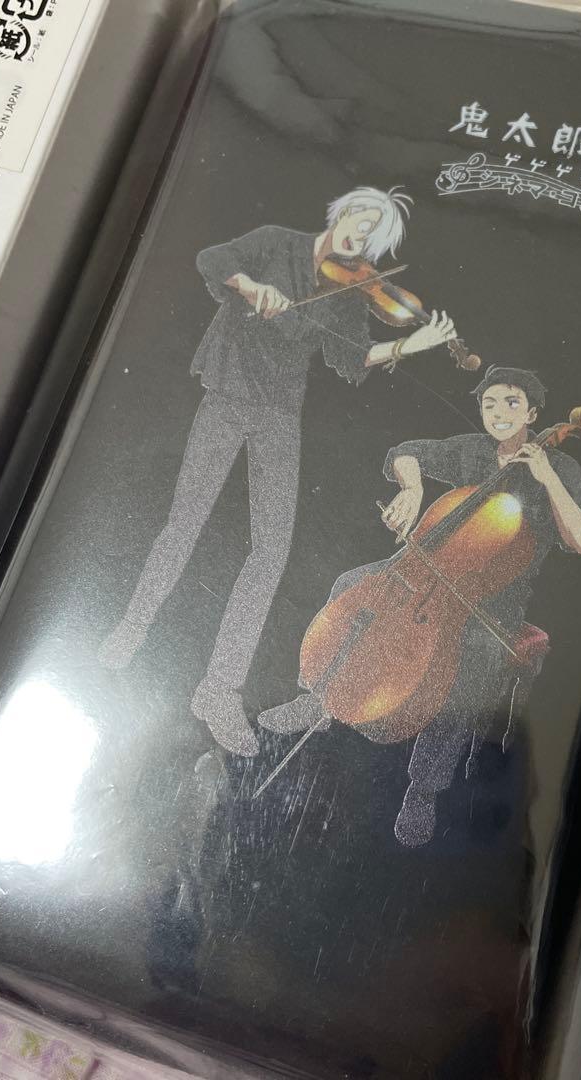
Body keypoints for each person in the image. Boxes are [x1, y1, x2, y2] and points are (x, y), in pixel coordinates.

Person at [98, 187, 457, 757]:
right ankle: (133, 627)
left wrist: (412, 344)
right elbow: (212, 260)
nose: (359, 237)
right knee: (185, 522)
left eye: (371, 236)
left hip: (279, 412)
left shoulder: (350, 292)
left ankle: (218, 690)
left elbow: (351, 359)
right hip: (227, 392)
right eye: (358, 221)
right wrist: (250, 286)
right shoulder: (274, 243)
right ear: (341, 213)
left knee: (270, 550)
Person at [258, 366, 581, 846]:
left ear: (533, 413)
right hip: (422, 571)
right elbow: (406, 453)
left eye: (512, 403)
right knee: (352, 583)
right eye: (489, 404)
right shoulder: (475, 450)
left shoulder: (560, 468)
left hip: (490, 602)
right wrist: (413, 488)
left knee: (474, 660)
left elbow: (580, 539)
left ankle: (423, 788)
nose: (499, 413)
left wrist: (547, 478)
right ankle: (317, 696)